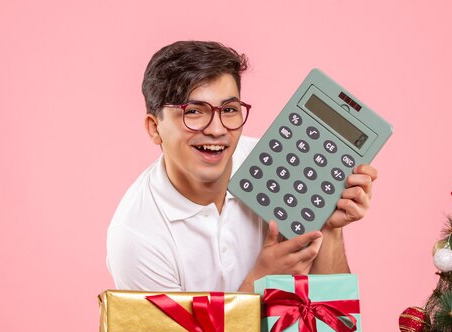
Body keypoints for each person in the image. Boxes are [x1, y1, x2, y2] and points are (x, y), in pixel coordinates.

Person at [107, 40, 377, 292]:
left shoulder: (275, 162)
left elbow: (333, 317)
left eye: (229, 109)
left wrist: (328, 225)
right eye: (194, 111)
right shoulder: (136, 236)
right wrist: (260, 282)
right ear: (155, 128)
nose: (217, 129)